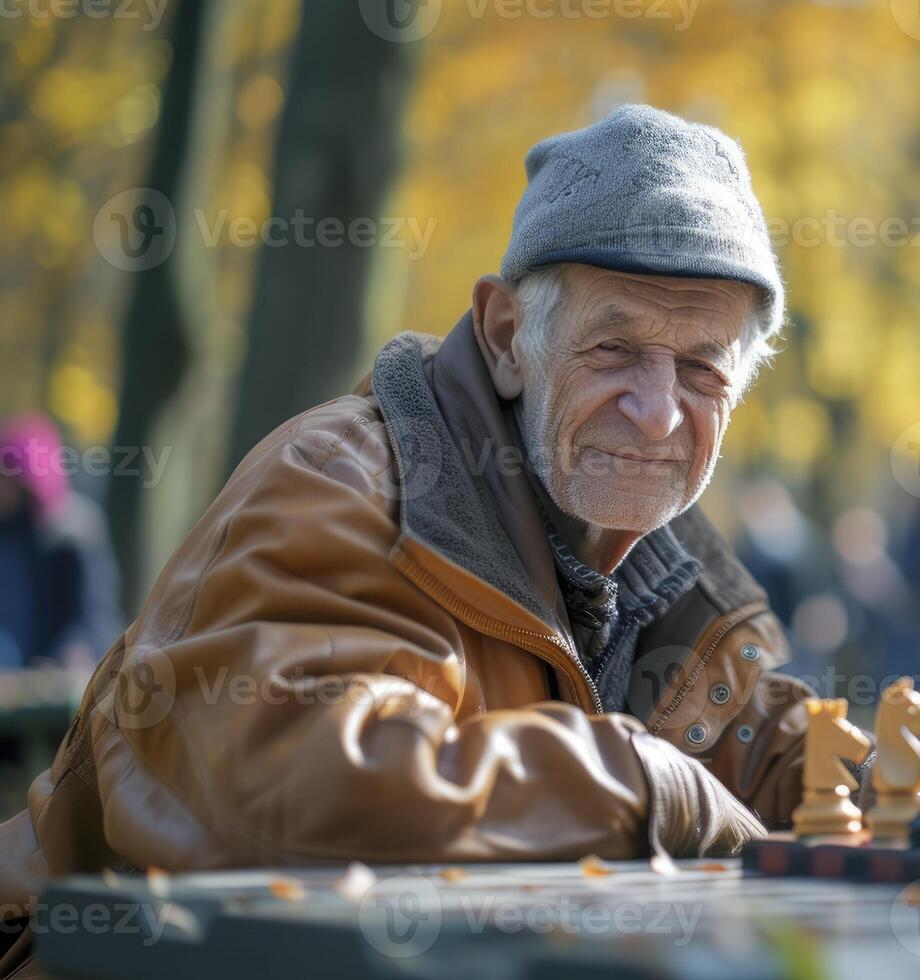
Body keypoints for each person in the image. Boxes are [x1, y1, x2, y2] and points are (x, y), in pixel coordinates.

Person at [0, 107, 818, 929]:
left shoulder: (648, 557)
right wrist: (648, 787)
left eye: (700, 368)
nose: (656, 413)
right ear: (506, 337)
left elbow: (769, 755)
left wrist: (911, 772)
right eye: (612, 349)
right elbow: (292, 800)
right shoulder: (342, 481)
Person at [0, 415, 120, 670]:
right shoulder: (9, 533)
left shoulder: (73, 533)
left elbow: (95, 613)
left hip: (53, 670)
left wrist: (77, 647)